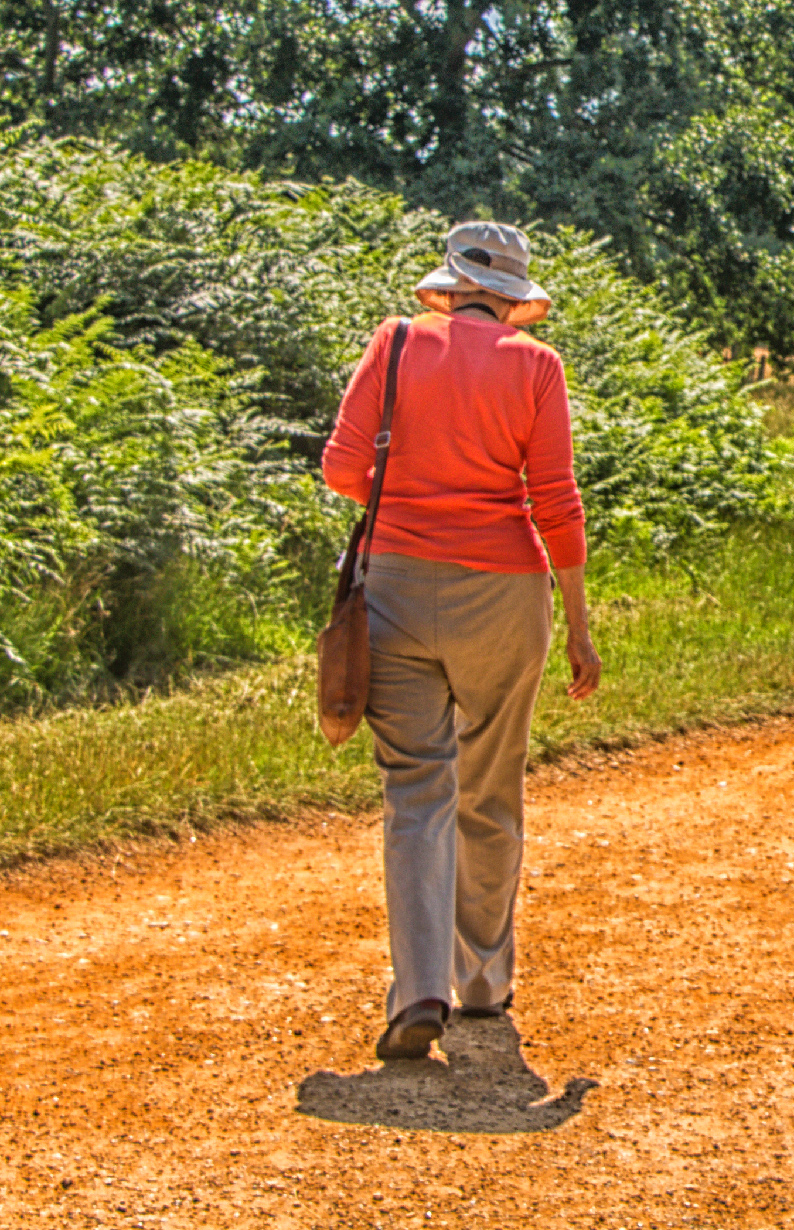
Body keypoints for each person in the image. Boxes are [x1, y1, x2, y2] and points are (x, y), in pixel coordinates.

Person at [323, 221, 603, 1062]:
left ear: (446, 287)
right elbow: (556, 500)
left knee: (417, 791)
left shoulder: (397, 343)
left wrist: (407, 496)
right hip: (506, 595)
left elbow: (342, 469)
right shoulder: (537, 366)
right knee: (489, 785)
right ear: (515, 301)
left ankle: (418, 990)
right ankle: (481, 981)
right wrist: (580, 622)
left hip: (397, 586)